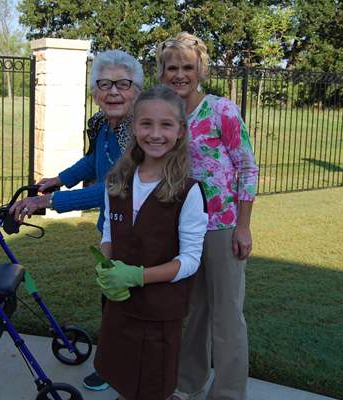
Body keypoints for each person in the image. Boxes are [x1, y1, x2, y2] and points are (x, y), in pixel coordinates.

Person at [9, 49, 143, 391]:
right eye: (104, 84)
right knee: (110, 300)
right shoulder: (103, 124)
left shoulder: (140, 132)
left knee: (129, 305)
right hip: (110, 229)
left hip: (138, 233)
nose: (113, 91)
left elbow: (114, 189)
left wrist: (50, 200)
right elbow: (93, 161)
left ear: (137, 90)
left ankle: (127, 370)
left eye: (123, 84)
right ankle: (114, 364)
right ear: (94, 91)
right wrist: (60, 178)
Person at [156, 32, 259, 400]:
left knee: (227, 316)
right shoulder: (164, 114)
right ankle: (188, 384)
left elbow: (247, 167)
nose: (180, 74)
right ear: (162, 72)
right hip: (184, 228)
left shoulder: (221, 110)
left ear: (200, 69)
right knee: (195, 310)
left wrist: (243, 226)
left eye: (187, 67)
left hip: (222, 226)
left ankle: (229, 393)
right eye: (172, 68)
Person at [94, 84, 208, 400]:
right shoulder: (115, 181)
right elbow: (108, 235)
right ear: (134, 127)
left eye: (166, 125)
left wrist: (138, 276)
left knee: (152, 388)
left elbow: (190, 260)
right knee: (124, 380)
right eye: (146, 123)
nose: (155, 133)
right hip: (119, 310)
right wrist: (106, 266)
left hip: (159, 315)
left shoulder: (188, 192)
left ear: (181, 131)